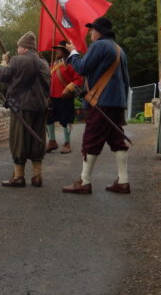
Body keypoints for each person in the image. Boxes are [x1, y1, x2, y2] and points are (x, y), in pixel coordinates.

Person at [62, 17, 131, 195]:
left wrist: (72, 53)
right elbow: (126, 80)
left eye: (92, 30)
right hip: (116, 102)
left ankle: (84, 182)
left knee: (91, 140)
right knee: (117, 140)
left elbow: (82, 68)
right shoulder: (119, 49)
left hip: (101, 101)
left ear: (98, 31)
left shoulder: (99, 46)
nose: (90, 33)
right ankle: (123, 181)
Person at [0, 32, 51, 188]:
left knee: (18, 139)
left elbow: (3, 76)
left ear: (24, 47)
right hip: (40, 106)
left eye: (18, 46)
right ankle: (37, 176)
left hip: (21, 106)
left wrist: (3, 62)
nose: (17, 49)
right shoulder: (44, 63)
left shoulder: (17, 60)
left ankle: (19, 177)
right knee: (37, 138)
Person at [46, 40, 83, 154]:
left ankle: (67, 143)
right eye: (56, 49)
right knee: (49, 119)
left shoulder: (71, 64)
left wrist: (68, 89)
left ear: (65, 51)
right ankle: (52, 141)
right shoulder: (52, 65)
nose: (57, 51)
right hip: (52, 97)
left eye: (59, 49)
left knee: (65, 120)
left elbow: (79, 79)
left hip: (65, 97)